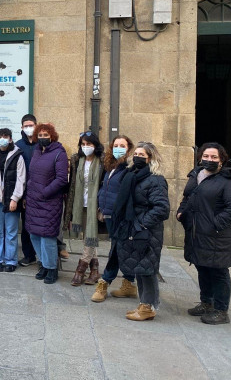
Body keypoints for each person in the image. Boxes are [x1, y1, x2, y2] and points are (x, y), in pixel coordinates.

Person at [178, 142, 231, 325]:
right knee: (202, 267)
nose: (209, 160)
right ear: (200, 157)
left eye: (214, 157)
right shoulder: (196, 175)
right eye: (206, 156)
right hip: (196, 233)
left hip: (217, 236)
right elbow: (188, 196)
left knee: (218, 272)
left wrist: (214, 225)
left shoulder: (228, 182)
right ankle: (207, 302)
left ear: (222, 160)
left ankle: (221, 310)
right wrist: (181, 212)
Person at [114, 141, 169, 321]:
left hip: (146, 231)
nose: (137, 157)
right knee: (139, 267)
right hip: (134, 228)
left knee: (148, 269)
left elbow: (161, 208)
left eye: (141, 155)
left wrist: (141, 224)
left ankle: (148, 306)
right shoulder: (133, 175)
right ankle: (144, 304)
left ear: (150, 158)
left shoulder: (156, 180)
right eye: (135, 154)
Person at [91, 135, 138, 302]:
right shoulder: (111, 166)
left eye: (122, 145)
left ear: (129, 148)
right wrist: (101, 207)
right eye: (116, 145)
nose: (118, 148)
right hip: (110, 213)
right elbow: (107, 189)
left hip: (122, 216)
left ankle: (105, 281)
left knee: (117, 248)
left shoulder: (130, 168)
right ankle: (129, 283)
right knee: (121, 247)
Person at [24, 123, 68, 284]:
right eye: (40, 135)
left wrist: (45, 192)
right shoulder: (37, 151)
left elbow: (62, 178)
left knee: (47, 236)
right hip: (34, 200)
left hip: (49, 201)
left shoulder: (59, 153)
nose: (43, 138)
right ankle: (43, 263)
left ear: (52, 136)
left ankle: (52, 268)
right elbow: (32, 175)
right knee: (34, 234)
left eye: (46, 135)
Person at [63, 132, 105, 286]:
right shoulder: (77, 160)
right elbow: (73, 183)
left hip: (95, 205)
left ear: (96, 145)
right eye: (83, 144)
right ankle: (94, 271)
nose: (86, 147)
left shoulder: (102, 161)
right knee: (87, 237)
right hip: (80, 204)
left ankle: (80, 270)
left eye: (89, 144)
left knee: (90, 237)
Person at [0, 128, 26, 271]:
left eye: (5, 136)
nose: (2, 138)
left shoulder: (17, 155)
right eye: (0, 136)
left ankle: (11, 261)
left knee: (11, 232)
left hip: (11, 200)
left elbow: (21, 180)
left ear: (10, 139)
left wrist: (15, 199)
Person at [15, 114, 39, 267]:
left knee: (41, 226)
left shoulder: (43, 144)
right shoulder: (18, 145)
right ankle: (28, 255)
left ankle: (45, 256)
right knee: (26, 226)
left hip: (41, 192)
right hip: (24, 192)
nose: (29, 128)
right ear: (22, 128)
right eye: (26, 126)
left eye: (31, 125)